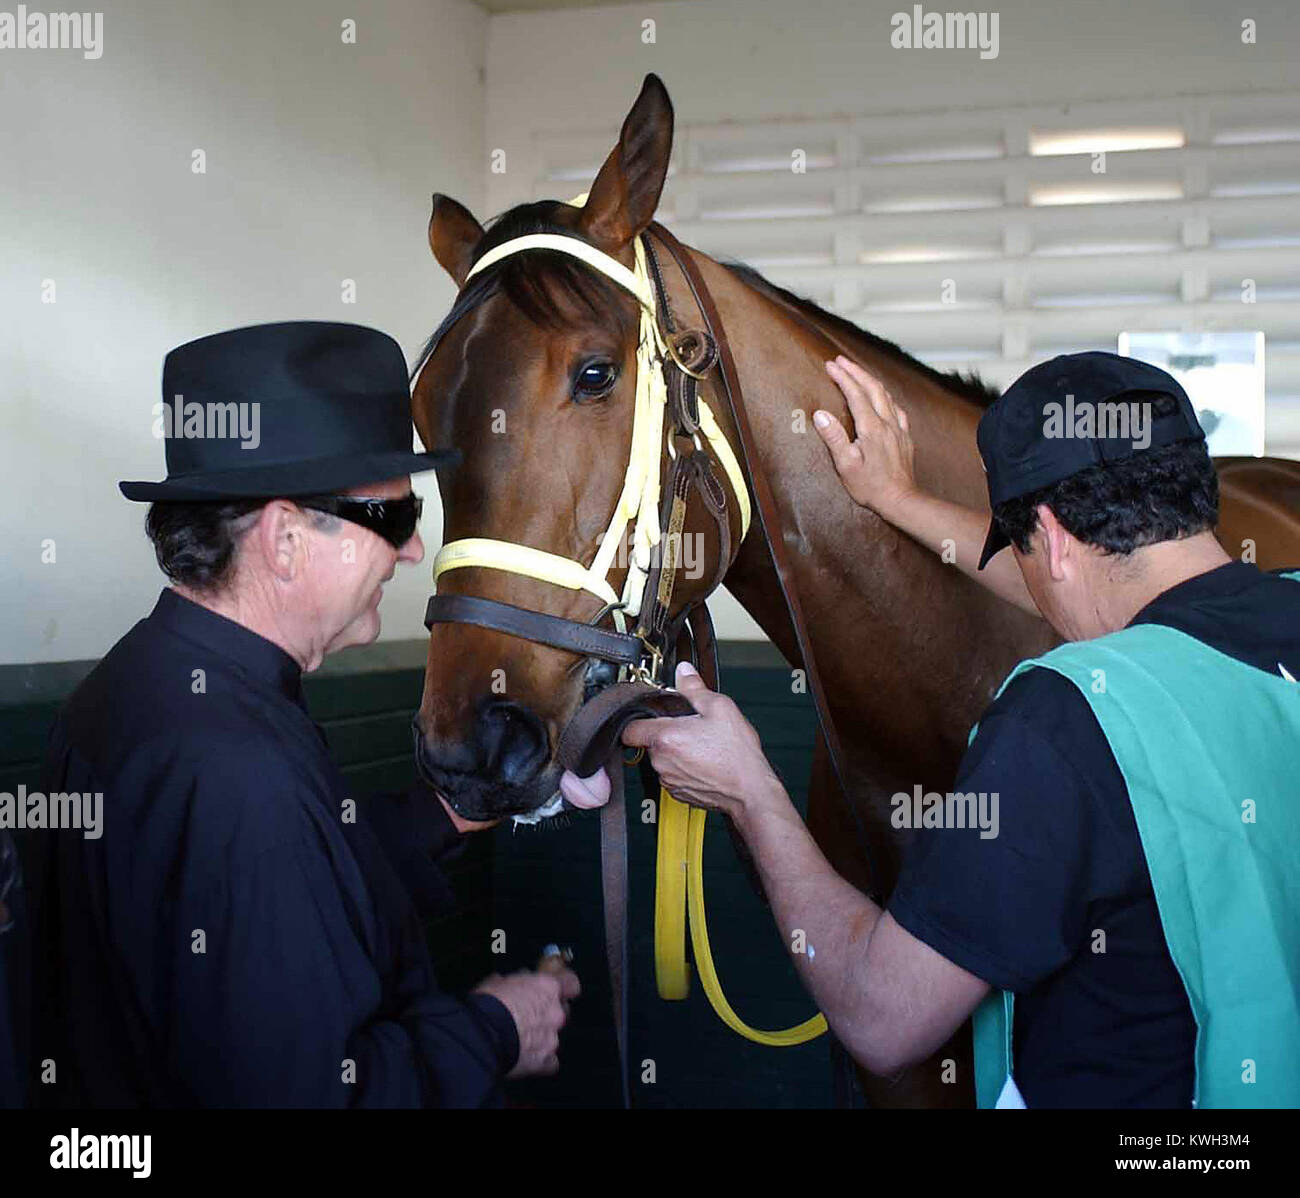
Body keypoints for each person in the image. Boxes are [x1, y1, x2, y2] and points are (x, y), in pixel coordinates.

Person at [613, 350, 1300, 1108]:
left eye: (1028, 551)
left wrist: (751, 793)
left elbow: (882, 1020)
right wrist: (897, 499)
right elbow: (1084, 587)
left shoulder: (1065, 721)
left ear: (1055, 537)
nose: (1030, 583)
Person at [24, 321, 577, 1107]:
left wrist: (451, 813)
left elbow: (280, 891)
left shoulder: (137, 690)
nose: (414, 551)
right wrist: (497, 1029)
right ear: (284, 537)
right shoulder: (240, 772)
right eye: (394, 518)